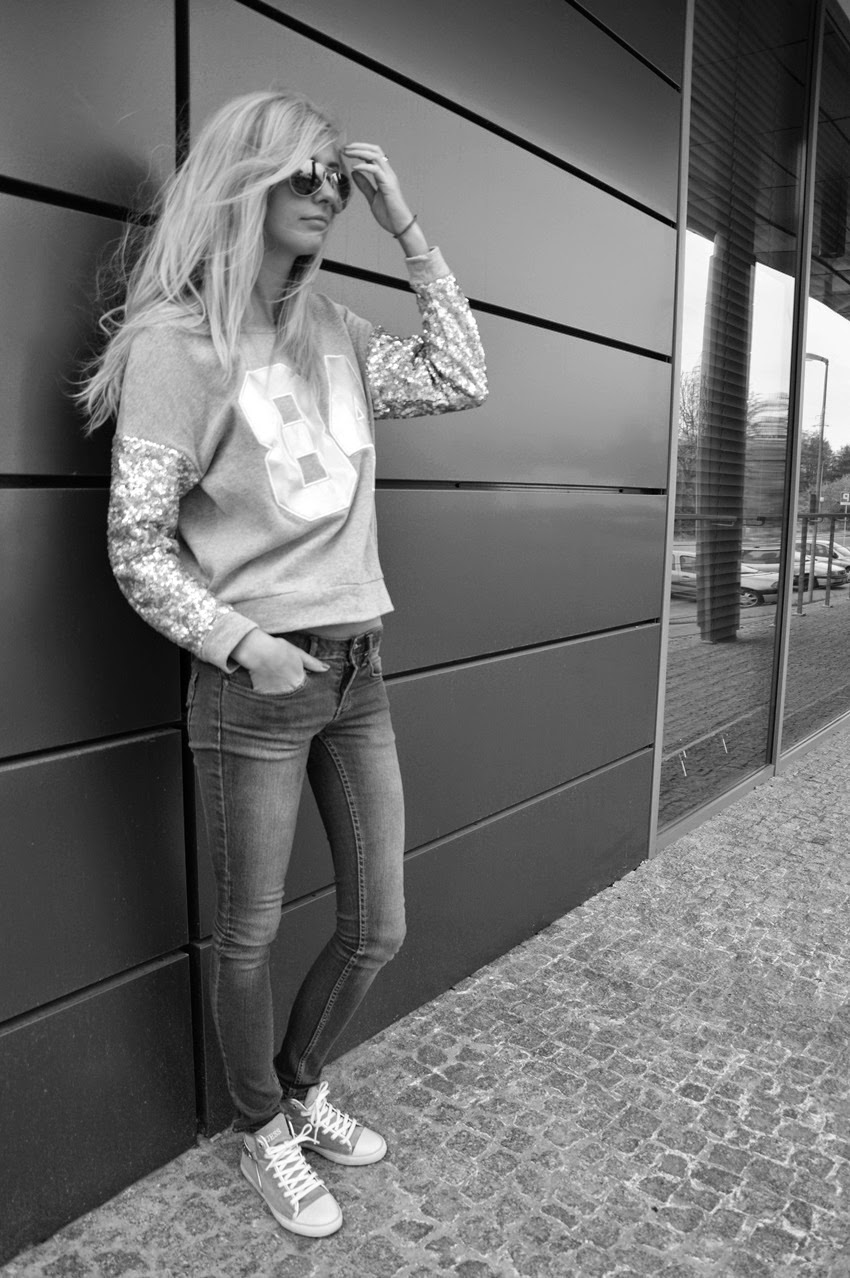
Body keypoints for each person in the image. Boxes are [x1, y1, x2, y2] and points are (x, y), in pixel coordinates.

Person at [79, 89, 487, 1238]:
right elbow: (135, 544)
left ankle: (301, 1084)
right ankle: (262, 1125)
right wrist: (245, 646)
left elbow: (460, 376)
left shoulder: (336, 332)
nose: (328, 194)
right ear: (243, 180)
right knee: (249, 933)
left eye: (339, 179)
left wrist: (406, 224)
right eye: (305, 173)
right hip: (255, 684)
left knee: (378, 924)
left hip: (360, 670)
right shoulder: (173, 347)